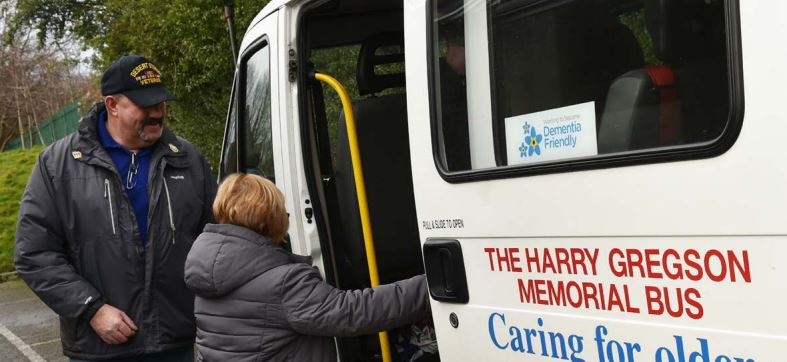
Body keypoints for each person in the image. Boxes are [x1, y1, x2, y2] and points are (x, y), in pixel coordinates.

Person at [14, 54, 217, 361]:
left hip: (173, 344)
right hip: (97, 348)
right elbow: (34, 253)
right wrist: (90, 308)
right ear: (111, 105)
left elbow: (217, 238)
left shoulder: (187, 159)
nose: (157, 113)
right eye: (144, 105)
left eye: (160, 103)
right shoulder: (58, 165)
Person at [184, 173, 431, 362]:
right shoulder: (283, 283)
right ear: (270, 219)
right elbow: (352, 312)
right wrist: (432, 283)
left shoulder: (207, 270)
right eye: (284, 211)